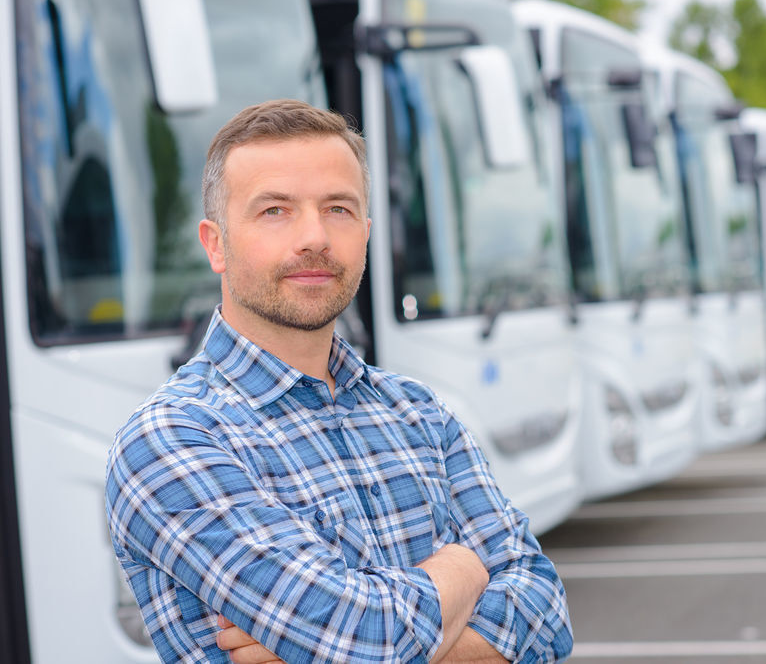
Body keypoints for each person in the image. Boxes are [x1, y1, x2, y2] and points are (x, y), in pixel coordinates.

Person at [105, 99, 573, 663]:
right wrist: (467, 567)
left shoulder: (421, 413)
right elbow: (365, 640)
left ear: (366, 232)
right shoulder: (171, 440)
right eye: (275, 210)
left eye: (339, 209)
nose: (315, 237)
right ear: (215, 243)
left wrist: (351, 640)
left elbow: (547, 618)